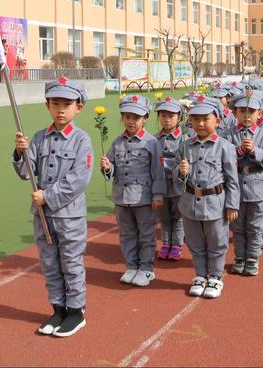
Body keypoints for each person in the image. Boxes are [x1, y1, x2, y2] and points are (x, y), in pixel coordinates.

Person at [12, 77, 93, 337]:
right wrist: (19, 152)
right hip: (43, 216)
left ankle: (75, 312)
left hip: (68, 216)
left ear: (78, 107)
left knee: (70, 262)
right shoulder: (38, 138)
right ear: (47, 105)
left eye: (67, 104)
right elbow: (27, 173)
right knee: (49, 263)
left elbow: (79, 179)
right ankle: (58, 308)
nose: (60, 109)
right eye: (55, 103)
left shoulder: (82, 140)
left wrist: (48, 196)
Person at [174, 96, 240, 299]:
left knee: (217, 242)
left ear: (217, 121)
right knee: (195, 243)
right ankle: (200, 275)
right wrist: (181, 172)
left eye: (206, 119)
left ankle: (216, 276)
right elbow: (178, 182)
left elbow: (232, 180)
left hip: (215, 205)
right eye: (195, 119)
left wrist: (232, 206)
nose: (200, 124)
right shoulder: (184, 146)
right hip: (190, 204)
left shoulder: (225, 147)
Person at [101, 95, 166, 287]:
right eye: (127, 116)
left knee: (146, 235)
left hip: (143, 198)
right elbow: (112, 168)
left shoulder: (152, 143)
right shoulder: (116, 142)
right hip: (122, 196)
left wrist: (158, 195)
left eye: (135, 117)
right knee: (127, 233)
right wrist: (106, 167)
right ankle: (131, 265)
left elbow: (158, 171)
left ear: (145, 118)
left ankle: (146, 269)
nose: (131, 121)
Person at [227, 92, 263, 276]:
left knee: (255, 226)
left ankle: (253, 258)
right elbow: (224, 159)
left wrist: (256, 152)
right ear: (235, 113)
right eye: (242, 111)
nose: (247, 115)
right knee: (238, 227)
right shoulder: (229, 134)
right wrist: (238, 151)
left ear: (259, 114)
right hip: (236, 186)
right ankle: (239, 257)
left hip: (258, 187)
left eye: (251, 112)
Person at [155, 97, 185, 261]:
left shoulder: (184, 139)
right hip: (161, 185)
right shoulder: (154, 139)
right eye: (163, 115)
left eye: (171, 116)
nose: (167, 120)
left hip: (178, 185)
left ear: (179, 117)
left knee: (178, 216)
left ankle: (177, 244)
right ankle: (166, 243)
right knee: (164, 217)